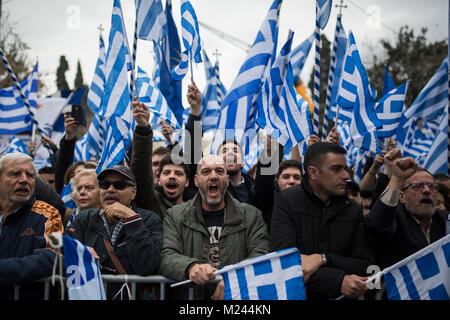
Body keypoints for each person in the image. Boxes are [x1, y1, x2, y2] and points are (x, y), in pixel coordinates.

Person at [270, 142, 374, 300]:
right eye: (336, 168)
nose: (346, 175)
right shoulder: (288, 201)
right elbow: (285, 264)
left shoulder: (352, 209)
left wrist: (323, 258)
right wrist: (338, 281)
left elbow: (367, 267)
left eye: (345, 168)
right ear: (313, 173)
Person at [160, 154, 270, 300]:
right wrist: (190, 267)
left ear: (227, 180)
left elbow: (260, 255)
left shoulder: (251, 215)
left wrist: (235, 280)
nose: (213, 176)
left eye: (219, 171)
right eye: (206, 172)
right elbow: (167, 256)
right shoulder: (175, 215)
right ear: (196, 180)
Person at [65, 165, 162, 299]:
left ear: (133, 192)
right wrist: (80, 251)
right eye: (104, 185)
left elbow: (146, 267)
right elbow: (61, 255)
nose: (110, 189)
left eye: (119, 185)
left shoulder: (149, 220)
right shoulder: (84, 219)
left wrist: (132, 220)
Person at [130, 82, 201, 219]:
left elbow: (194, 155)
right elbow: (140, 171)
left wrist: (195, 111)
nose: (172, 176)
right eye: (166, 172)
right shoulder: (151, 203)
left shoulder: (198, 206)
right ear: (159, 179)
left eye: (178, 173)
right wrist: (143, 127)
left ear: (188, 181)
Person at [363, 160, 448, 270]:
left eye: (431, 186)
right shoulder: (395, 217)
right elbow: (376, 224)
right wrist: (397, 179)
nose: (427, 190)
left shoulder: (445, 220)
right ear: (401, 196)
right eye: (417, 186)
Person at [0, 153, 63, 299]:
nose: (24, 180)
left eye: (30, 175)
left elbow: (52, 257)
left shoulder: (48, 214)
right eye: (14, 174)